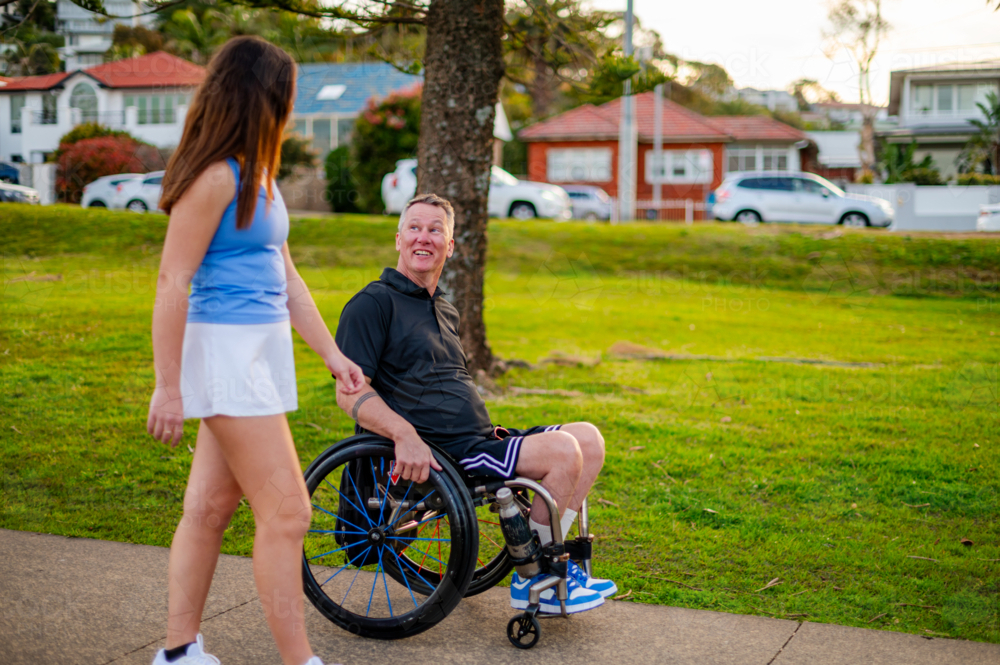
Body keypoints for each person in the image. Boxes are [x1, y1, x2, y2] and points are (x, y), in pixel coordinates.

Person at [146, 36, 364, 665]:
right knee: (289, 514)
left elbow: (287, 281)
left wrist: (331, 354)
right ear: (266, 98)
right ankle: (302, 662)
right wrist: (169, 384)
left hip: (258, 355)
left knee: (211, 508)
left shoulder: (257, 176)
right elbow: (172, 281)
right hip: (226, 357)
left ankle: (178, 654)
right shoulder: (216, 177)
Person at [333, 193, 617, 615]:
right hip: (440, 454)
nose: (423, 238)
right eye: (414, 228)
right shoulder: (373, 304)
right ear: (398, 239)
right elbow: (350, 392)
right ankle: (536, 577)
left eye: (435, 230)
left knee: (589, 440)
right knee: (563, 451)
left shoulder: (443, 310)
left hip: (476, 441)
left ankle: (557, 567)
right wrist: (404, 434)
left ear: (450, 246)